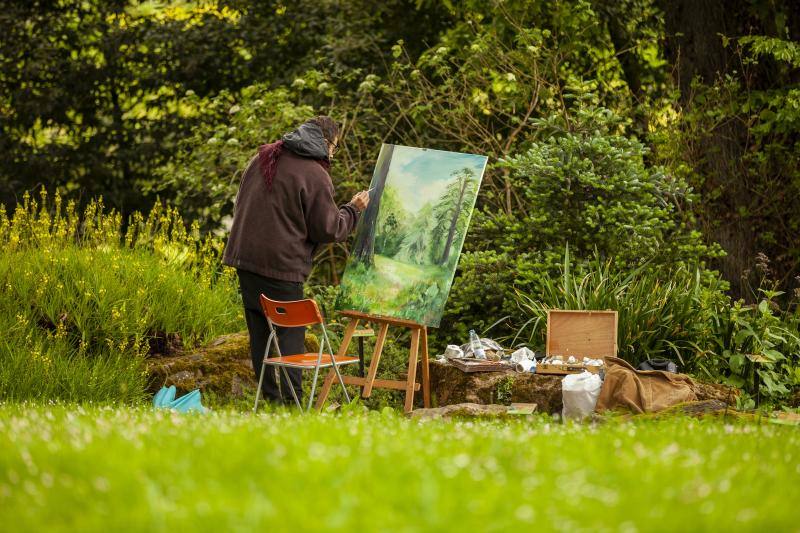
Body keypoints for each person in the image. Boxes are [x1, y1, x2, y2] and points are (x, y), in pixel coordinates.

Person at [223, 116, 370, 406]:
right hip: (281, 267)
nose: (333, 155)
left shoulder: (264, 157)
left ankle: (270, 399)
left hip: (245, 260)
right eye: (334, 148)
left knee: (261, 334)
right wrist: (353, 210)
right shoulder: (314, 173)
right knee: (290, 336)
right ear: (324, 143)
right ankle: (293, 405)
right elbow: (328, 229)